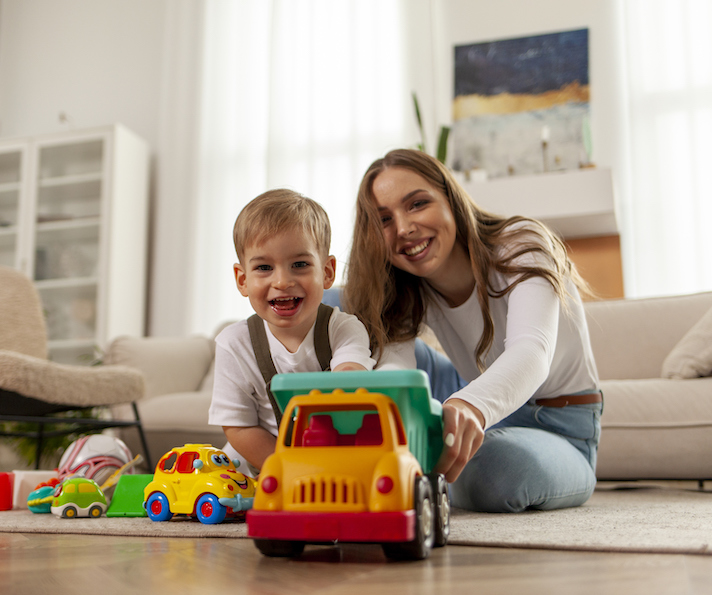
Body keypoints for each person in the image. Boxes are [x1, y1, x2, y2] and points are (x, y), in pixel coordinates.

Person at [344, 149, 602, 513]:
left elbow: (531, 353)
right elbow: (395, 374)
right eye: (384, 220)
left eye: (417, 204)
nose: (403, 229)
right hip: (459, 392)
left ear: (450, 198)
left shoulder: (521, 243)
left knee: (495, 474)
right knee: (337, 302)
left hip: (558, 425)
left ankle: (425, 465)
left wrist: (469, 404)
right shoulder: (406, 287)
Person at [209, 189, 375, 476]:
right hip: (261, 464)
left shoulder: (343, 328)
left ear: (326, 271)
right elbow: (238, 425)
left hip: (331, 462)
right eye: (263, 267)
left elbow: (351, 374)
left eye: (299, 265)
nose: (283, 281)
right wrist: (292, 470)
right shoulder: (232, 344)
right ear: (242, 279)